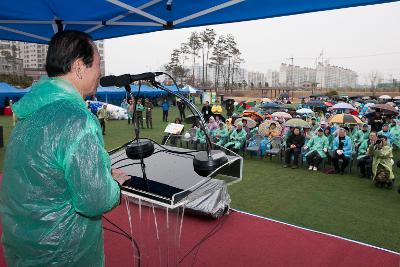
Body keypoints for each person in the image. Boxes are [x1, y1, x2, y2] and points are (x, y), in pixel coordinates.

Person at [0, 30, 130, 267]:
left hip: (21, 246)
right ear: (80, 66)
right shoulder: (77, 120)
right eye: (98, 65)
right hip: (62, 253)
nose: (100, 74)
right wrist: (114, 185)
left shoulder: (28, 113)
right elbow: (95, 200)